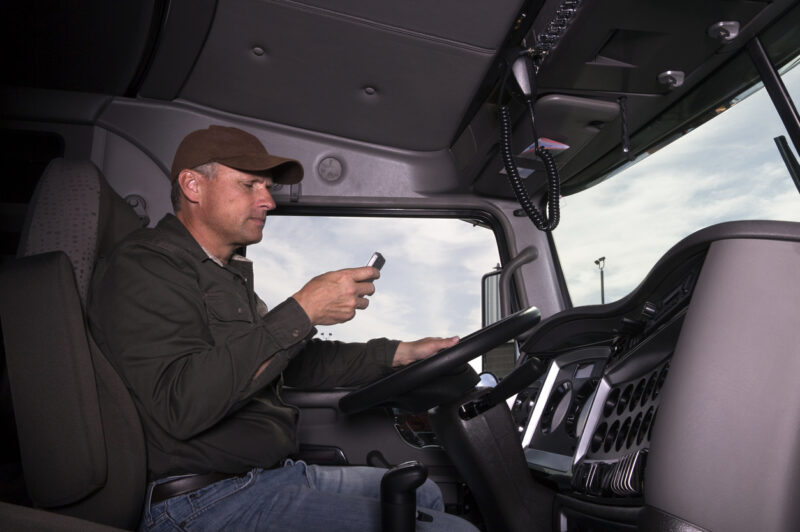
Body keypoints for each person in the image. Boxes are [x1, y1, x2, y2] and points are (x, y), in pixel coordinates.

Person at [88, 125, 478, 531]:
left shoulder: (224, 276)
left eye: (268, 187)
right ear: (193, 186)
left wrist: (403, 353)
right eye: (250, 185)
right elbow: (181, 404)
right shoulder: (145, 266)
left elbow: (296, 364)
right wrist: (303, 309)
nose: (269, 201)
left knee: (426, 493)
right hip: (202, 500)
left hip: (265, 476)